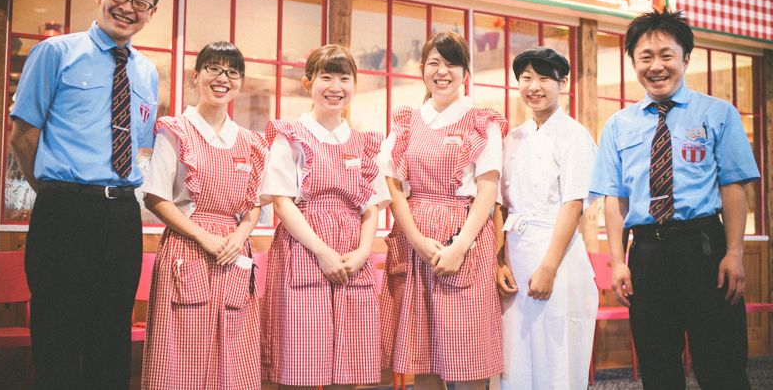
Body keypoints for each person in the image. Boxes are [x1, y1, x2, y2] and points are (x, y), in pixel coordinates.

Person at [9, 0, 161, 389]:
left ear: (151, 13)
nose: (127, 8)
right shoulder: (55, 53)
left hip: (122, 215)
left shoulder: (147, 71)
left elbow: (139, 145)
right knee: (56, 334)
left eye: (140, 2)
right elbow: (23, 136)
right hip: (64, 210)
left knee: (111, 337)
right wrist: (56, 192)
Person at [590, 8, 759, 390]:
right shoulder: (618, 125)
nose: (656, 66)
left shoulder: (717, 113)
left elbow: (734, 186)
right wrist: (618, 262)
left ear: (686, 58)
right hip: (647, 253)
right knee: (658, 366)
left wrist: (734, 253)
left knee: (722, 364)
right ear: (633, 62)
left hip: (704, 247)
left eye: (666, 55)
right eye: (645, 57)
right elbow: (616, 198)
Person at [379, 31, 507, 390]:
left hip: (464, 240)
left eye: (452, 63)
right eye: (434, 62)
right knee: (423, 358)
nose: (442, 71)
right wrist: (416, 240)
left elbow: (487, 189)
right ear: (422, 68)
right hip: (415, 240)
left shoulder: (481, 121)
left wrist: (460, 246)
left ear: (465, 72)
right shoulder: (407, 121)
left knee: (468, 359)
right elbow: (393, 184)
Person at [260, 44, 390, 388]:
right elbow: (282, 202)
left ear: (355, 85)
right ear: (308, 84)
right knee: (300, 364)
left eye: (344, 78)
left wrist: (363, 252)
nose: (336, 87)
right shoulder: (290, 137)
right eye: (326, 77)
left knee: (352, 363)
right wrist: (321, 250)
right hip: (303, 250)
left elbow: (371, 205)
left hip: (352, 257)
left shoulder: (364, 143)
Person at [141, 42, 267, 389]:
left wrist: (239, 237)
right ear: (195, 76)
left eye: (232, 72)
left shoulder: (250, 141)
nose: (222, 78)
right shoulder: (176, 130)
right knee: (182, 356)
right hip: (188, 247)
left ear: (240, 83)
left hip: (233, 251)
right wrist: (203, 236)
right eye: (213, 68)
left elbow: (254, 203)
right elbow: (155, 197)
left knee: (234, 356)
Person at [495, 47, 598, 389]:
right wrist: (499, 261)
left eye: (543, 78)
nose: (534, 86)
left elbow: (573, 205)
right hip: (516, 257)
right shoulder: (513, 137)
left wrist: (549, 268)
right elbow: (501, 205)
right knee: (516, 359)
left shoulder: (574, 135)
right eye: (526, 78)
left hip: (557, 258)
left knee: (555, 355)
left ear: (562, 83)